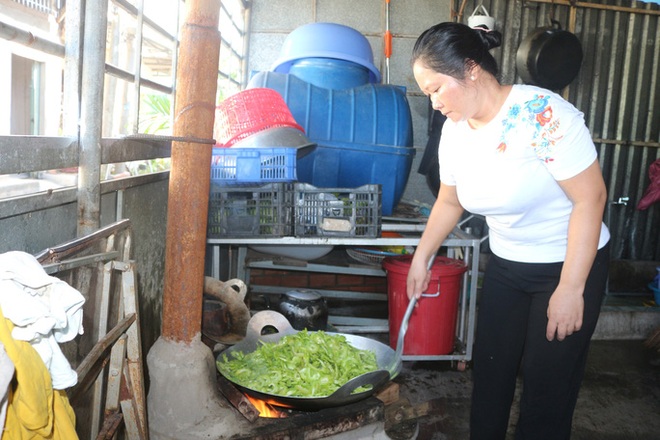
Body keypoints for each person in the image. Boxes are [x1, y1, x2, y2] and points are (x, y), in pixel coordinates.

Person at [406, 22, 611, 440]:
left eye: (436, 89)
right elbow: (449, 200)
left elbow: (590, 199)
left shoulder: (542, 114)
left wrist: (572, 288)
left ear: (470, 69)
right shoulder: (455, 131)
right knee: (491, 371)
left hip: (568, 262)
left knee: (546, 384)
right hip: (507, 263)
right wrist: (421, 258)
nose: (434, 103)